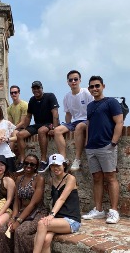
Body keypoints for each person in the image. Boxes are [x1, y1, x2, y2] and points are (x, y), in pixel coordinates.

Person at [82, 76, 123, 224]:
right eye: (91, 87)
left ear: (103, 86)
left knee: (111, 178)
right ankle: (98, 210)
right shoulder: (90, 106)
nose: (94, 89)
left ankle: (113, 211)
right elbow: (89, 125)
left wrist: (113, 142)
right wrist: (87, 143)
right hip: (91, 147)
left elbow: (119, 122)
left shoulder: (111, 102)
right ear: (89, 89)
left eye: (97, 86)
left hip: (106, 145)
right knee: (97, 178)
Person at [0, 154, 48, 253]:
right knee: (2, 230)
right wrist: (13, 218)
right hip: (21, 211)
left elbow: (33, 204)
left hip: (36, 213)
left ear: (36, 167)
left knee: (20, 231)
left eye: (32, 164)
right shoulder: (19, 179)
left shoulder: (39, 179)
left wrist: (19, 221)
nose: (28, 166)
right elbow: (17, 201)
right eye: (26, 163)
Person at [33, 154, 81, 253]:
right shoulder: (52, 180)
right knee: (46, 240)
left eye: (58, 165)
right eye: (52, 166)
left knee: (42, 224)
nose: (55, 168)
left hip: (71, 220)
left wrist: (51, 215)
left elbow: (62, 199)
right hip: (58, 219)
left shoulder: (70, 179)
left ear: (64, 165)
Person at [54, 70, 93, 171]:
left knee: (79, 127)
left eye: (76, 79)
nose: (73, 81)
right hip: (74, 122)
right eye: (71, 80)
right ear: (68, 82)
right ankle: (63, 158)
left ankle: (77, 159)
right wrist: (67, 126)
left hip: (86, 120)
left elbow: (93, 109)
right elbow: (68, 114)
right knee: (57, 130)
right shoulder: (67, 97)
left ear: (80, 80)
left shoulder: (87, 92)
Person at [17, 81, 59, 173]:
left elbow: (55, 112)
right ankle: (22, 160)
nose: (36, 90)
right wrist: (24, 127)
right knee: (20, 135)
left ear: (41, 88)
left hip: (49, 123)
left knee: (41, 131)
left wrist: (55, 128)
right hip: (37, 124)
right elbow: (28, 116)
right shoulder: (32, 100)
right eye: (34, 88)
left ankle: (43, 160)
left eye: (38, 88)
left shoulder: (50, 96)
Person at [7, 85, 28, 168]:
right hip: (14, 128)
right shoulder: (9, 108)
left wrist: (13, 129)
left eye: (15, 92)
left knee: (14, 133)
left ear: (19, 93)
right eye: (12, 93)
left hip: (23, 128)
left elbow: (23, 122)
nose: (13, 94)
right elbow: (10, 122)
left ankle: (9, 156)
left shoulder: (24, 105)